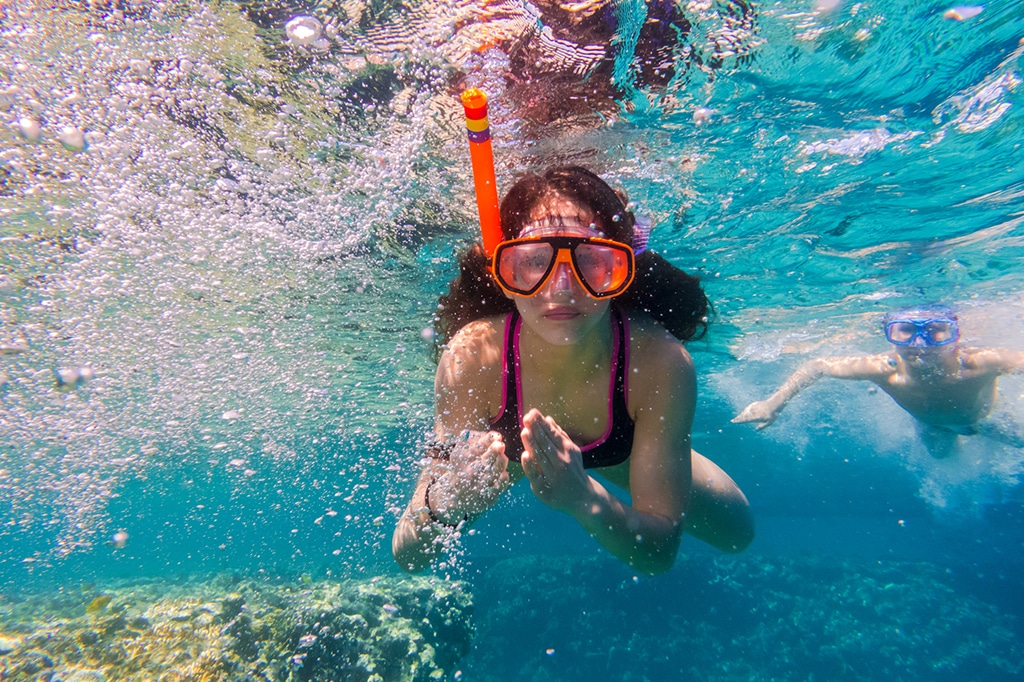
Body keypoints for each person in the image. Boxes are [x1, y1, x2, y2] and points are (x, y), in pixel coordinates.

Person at [392, 166, 754, 575]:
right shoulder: (473, 357)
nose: (563, 287)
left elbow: (661, 552)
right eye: (533, 261)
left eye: (591, 261)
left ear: (622, 271)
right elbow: (409, 555)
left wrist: (583, 496)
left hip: (623, 453)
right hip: (502, 460)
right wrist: (445, 504)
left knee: (738, 534)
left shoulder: (659, 362)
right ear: (504, 273)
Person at [732, 306, 1024, 458]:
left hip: (985, 420)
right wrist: (773, 403)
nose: (919, 343)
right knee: (940, 456)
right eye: (904, 331)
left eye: (936, 331)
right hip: (931, 426)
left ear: (956, 336)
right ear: (890, 336)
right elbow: (817, 365)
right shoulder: (883, 369)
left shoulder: (977, 362)